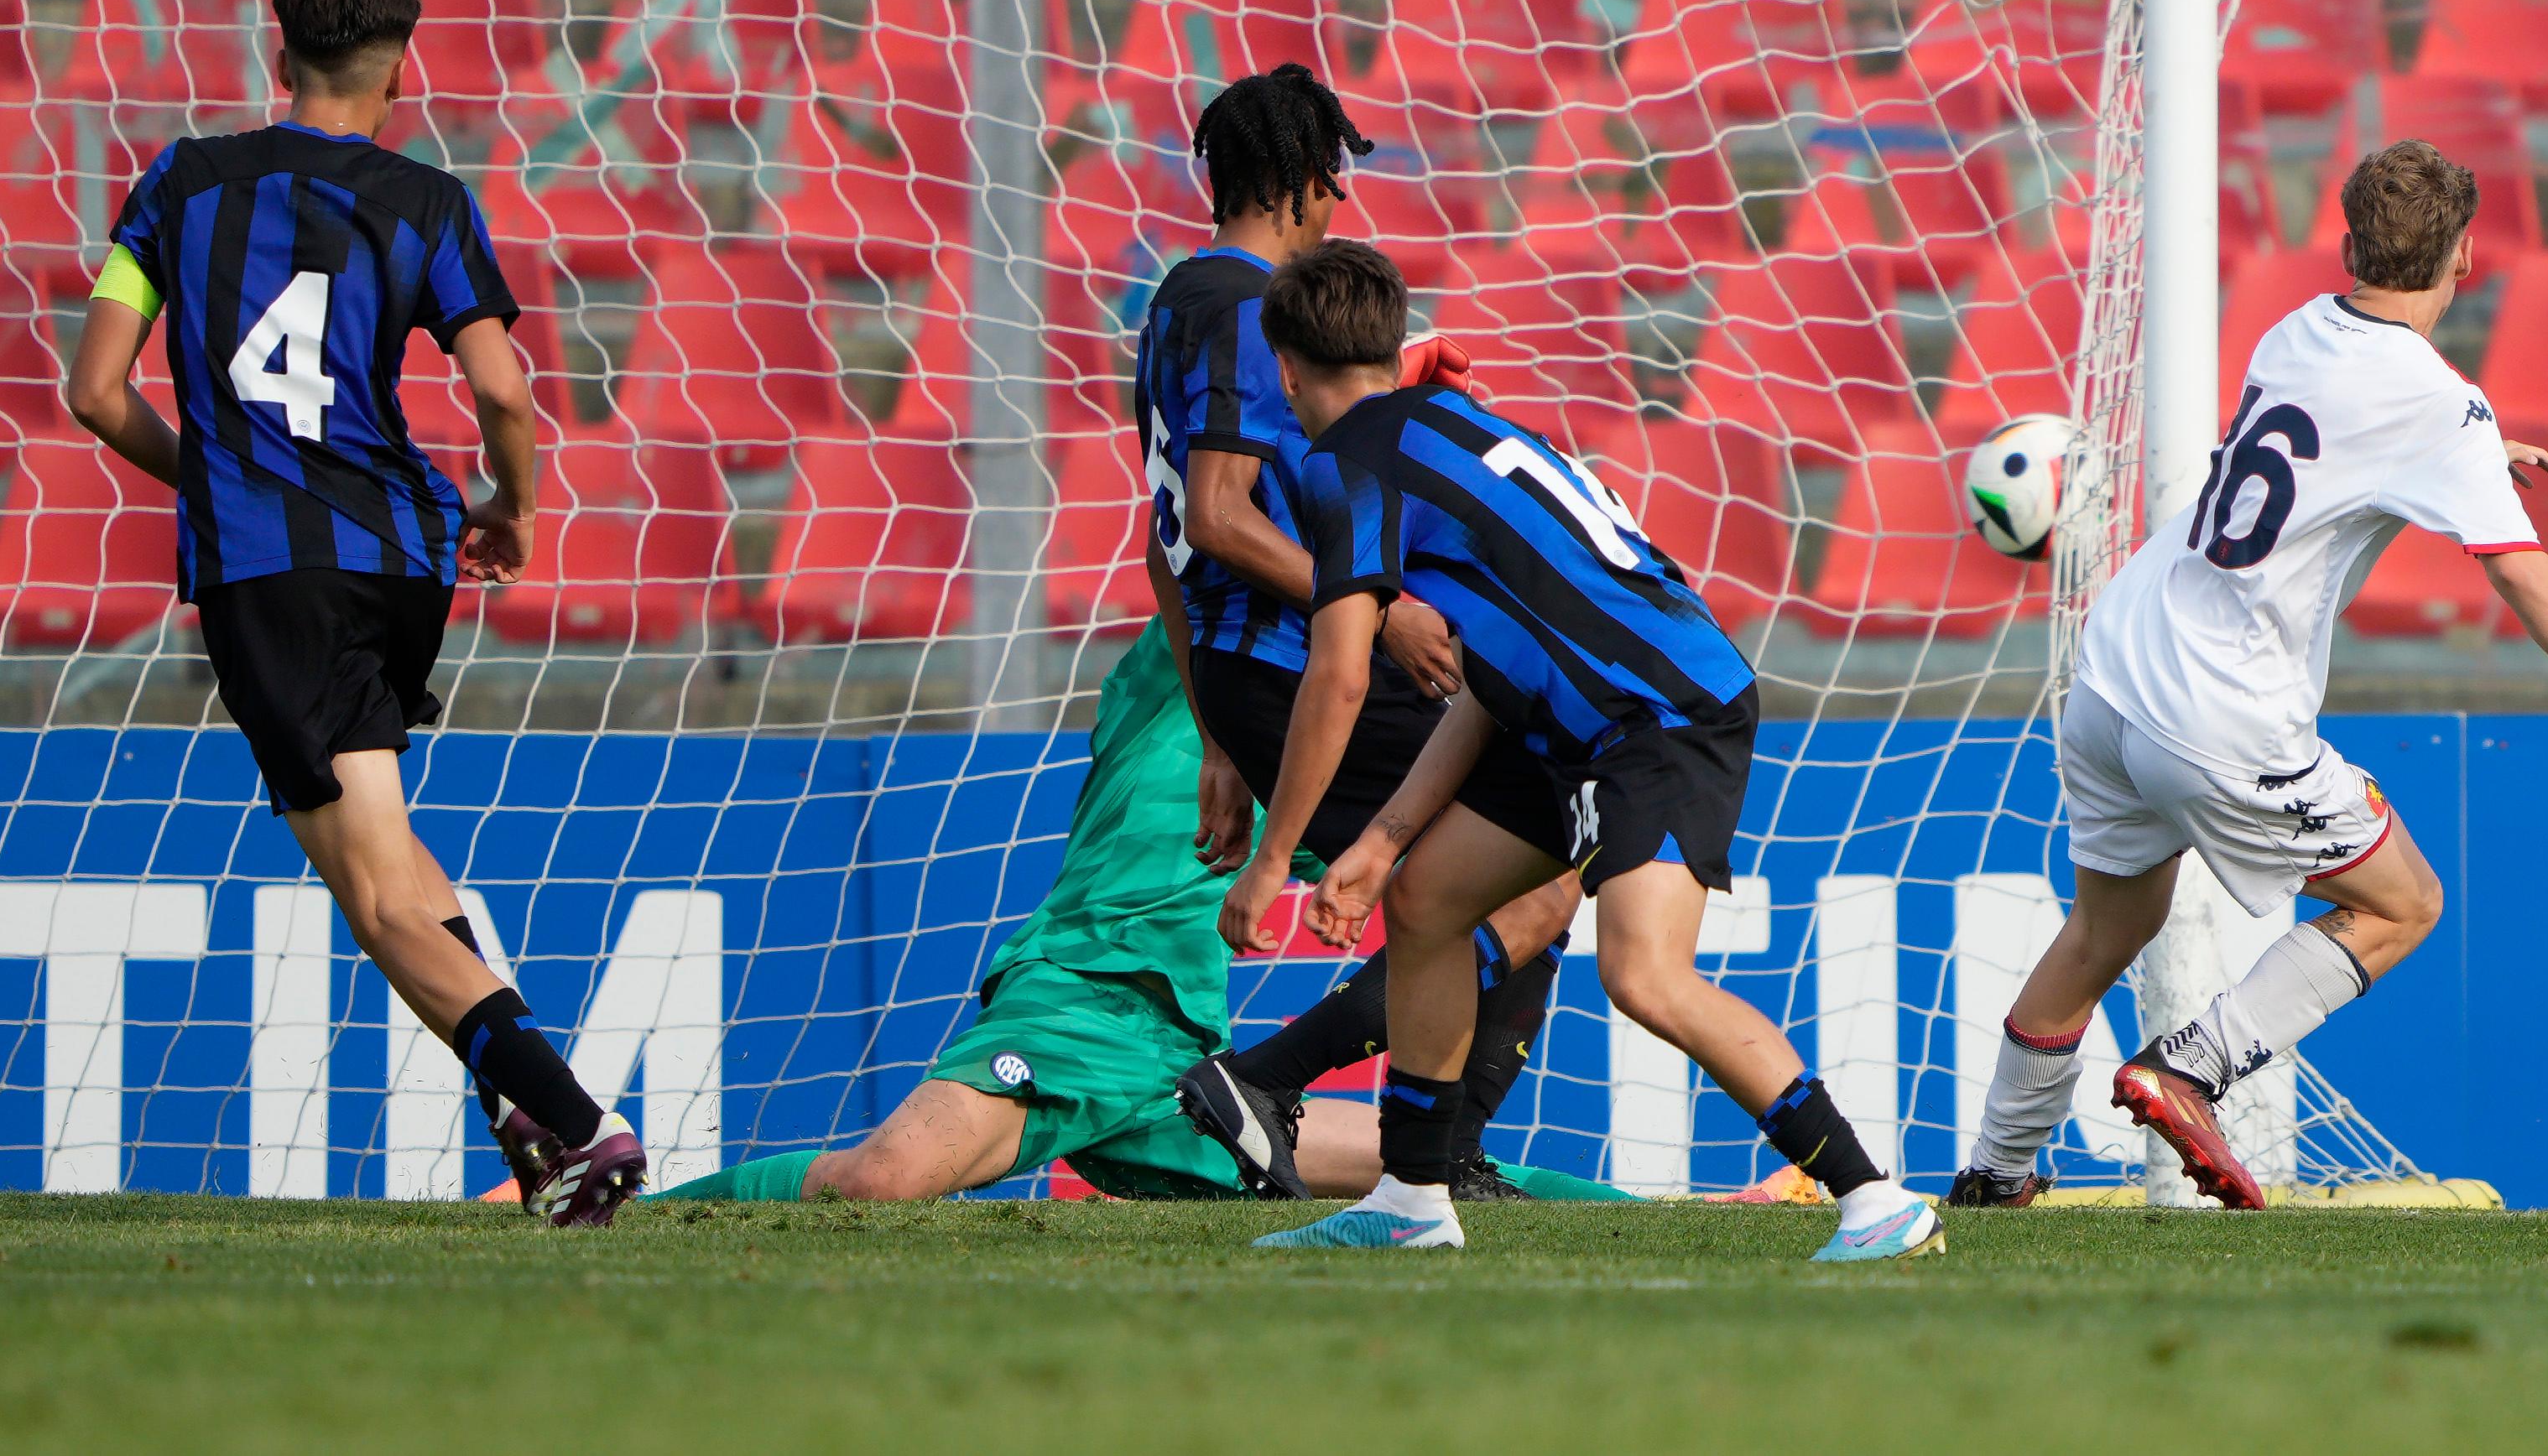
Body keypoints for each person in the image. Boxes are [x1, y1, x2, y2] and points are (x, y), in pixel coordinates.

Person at [1948, 141, 2548, 1211]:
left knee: (2105, 929)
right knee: (2404, 905)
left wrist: (2481, 453)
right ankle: (2189, 1069)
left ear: (2348, 245)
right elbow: (2517, 564)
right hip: (2222, 716)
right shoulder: (2439, 405)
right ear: (2467, 258)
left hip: (2115, 673)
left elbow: (2338, 445)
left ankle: (1993, 1171)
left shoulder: (2294, 328)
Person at [63, 0, 644, 1227]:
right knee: (395, 854)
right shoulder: (429, 198)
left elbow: (93, 389)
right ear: (399, 71)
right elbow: (501, 386)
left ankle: (576, 1123)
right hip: (402, 553)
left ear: (281, 49)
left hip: (274, 570)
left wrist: (213, 476)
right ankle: (533, 1134)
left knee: (374, 896)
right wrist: (519, 509)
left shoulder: (177, 184)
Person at [1247, 240, 1943, 1261]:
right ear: (1394, 350)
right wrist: (1387, 839)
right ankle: (1412, 1196)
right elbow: (1498, 672)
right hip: (1590, 715)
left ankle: (1872, 1198)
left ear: (1286, 369)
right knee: (1429, 900)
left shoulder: (1345, 460)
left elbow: (1340, 672)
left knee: (1644, 975)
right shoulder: (1461, 424)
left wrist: (1278, 855)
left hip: (1656, 714)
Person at [649, 633, 1632, 1204]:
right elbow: (1223, 525)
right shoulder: (1189, 667)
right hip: (1082, 996)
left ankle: (1748, 1198)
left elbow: (1476, 893)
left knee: (1422, 1166)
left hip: (1185, 1061)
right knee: (883, 1178)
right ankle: (624, 1203)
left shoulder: (1320, 757)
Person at [1142, 64, 1581, 1204]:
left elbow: (1166, 546)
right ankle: (1277, 1085)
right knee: (1532, 863)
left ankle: (1443, 1153)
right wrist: (1380, 611)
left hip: (1248, 672)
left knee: (1521, 866)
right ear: (1293, 182)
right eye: (1331, 179)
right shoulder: (1252, 307)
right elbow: (1222, 516)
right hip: (1299, 660)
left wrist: (1217, 734)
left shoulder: (1175, 302)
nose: (1339, 203)